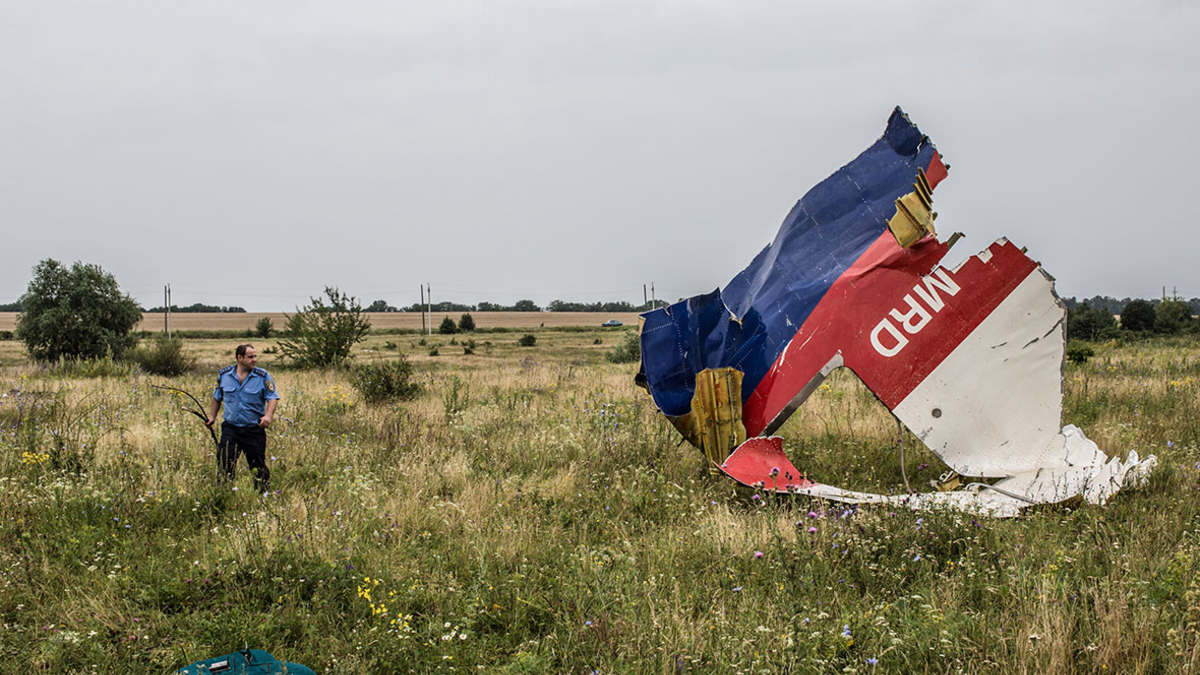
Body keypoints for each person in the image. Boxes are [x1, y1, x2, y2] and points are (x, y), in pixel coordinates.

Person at [206, 343, 280, 492]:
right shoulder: (224, 375)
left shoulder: (262, 376)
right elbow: (217, 397)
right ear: (240, 358)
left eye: (255, 356)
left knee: (257, 466)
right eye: (250, 357)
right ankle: (224, 494)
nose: (254, 360)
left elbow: (272, 397)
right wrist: (212, 416)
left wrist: (268, 416)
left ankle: (262, 495)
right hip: (231, 428)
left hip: (253, 428)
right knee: (225, 463)